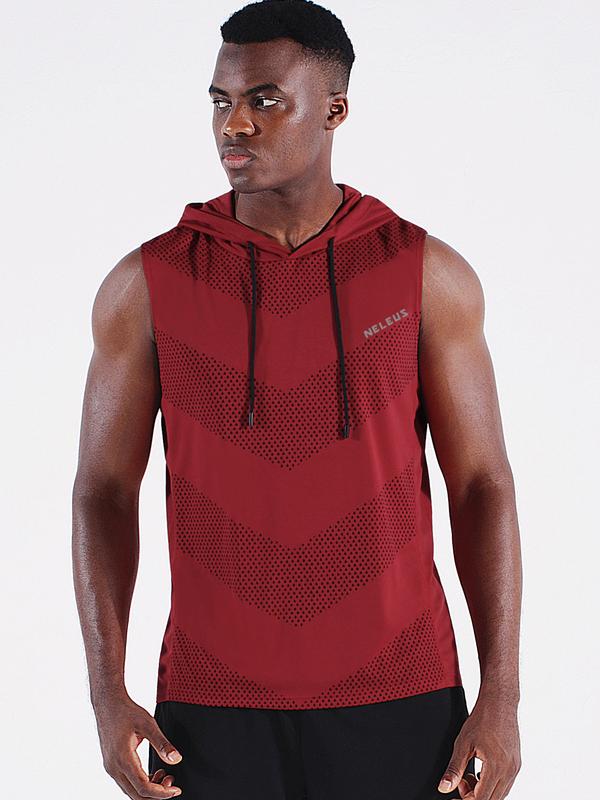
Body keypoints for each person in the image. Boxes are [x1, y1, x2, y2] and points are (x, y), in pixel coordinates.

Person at [72, 1, 522, 798]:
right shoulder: (146, 285)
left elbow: (482, 484)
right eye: (220, 101)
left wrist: (502, 696)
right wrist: (107, 695)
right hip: (211, 709)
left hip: (404, 698)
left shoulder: (427, 275)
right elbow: (102, 491)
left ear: (335, 110)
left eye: (266, 100)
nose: (234, 125)